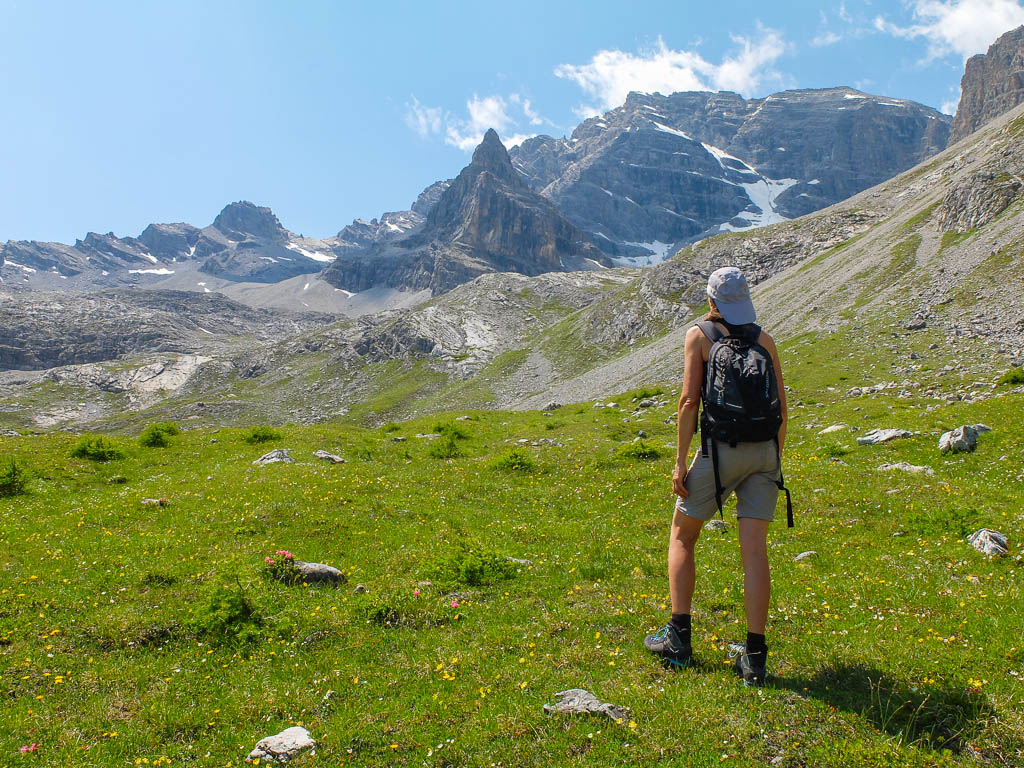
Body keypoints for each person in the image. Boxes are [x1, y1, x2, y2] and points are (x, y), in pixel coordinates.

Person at [644, 266, 788, 687]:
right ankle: (755, 658)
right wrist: (772, 457)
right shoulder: (765, 340)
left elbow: (689, 401)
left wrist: (680, 461)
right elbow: (781, 404)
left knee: (683, 534)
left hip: (720, 453)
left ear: (711, 301)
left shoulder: (700, 336)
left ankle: (679, 639)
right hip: (764, 453)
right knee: (754, 553)